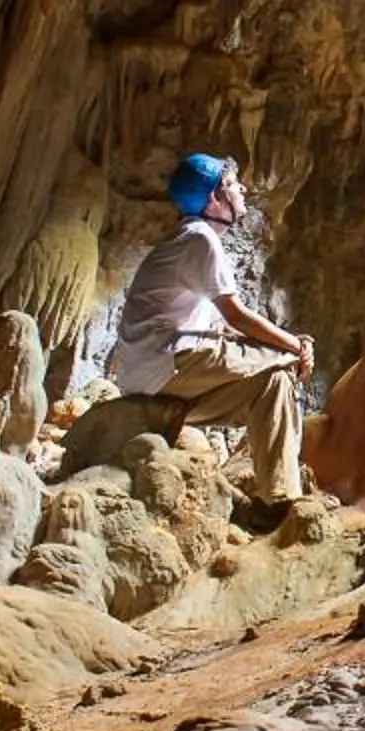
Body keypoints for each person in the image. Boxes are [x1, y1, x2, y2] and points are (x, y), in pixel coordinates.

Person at [105, 153, 314, 507]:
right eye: (232, 185)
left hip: (156, 372)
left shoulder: (189, 240)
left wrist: (289, 349)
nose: (242, 189)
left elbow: (221, 326)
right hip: (165, 364)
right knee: (281, 360)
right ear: (214, 200)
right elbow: (237, 316)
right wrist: (296, 346)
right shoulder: (199, 239)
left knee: (273, 382)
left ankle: (279, 498)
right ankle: (281, 496)